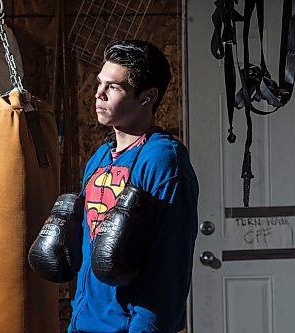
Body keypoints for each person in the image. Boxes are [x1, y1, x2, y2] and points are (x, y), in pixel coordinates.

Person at [68, 40, 199, 333]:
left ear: (148, 97)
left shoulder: (164, 161)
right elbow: (91, 252)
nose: (98, 94)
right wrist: (76, 317)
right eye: (100, 83)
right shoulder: (100, 158)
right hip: (86, 323)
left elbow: (170, 263)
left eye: (113, 87)